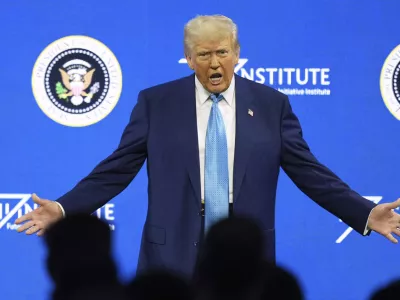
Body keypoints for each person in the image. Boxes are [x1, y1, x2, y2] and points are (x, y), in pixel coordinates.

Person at [16, 14, 400, 276]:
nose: (215, 63)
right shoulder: (156, 103)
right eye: (204, 54)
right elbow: (116, 169)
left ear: (236, 54)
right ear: (188, 59)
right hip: (170, 250)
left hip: (245, 247)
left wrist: (365, 213)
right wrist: (65, 207)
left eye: (222, 52)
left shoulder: (271, 105)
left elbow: (309, 172)